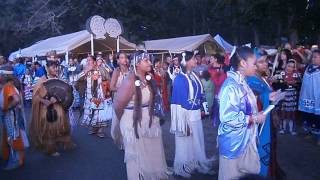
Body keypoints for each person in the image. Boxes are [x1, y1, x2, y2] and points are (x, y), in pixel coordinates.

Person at [113, 51, 169, 180]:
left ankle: (151, 175)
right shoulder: (129, 81)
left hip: (149, 120)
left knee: (151, 151)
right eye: (146, 61)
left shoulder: (149, 77)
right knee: (135, 155)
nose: (150, 62)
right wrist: (124, 122)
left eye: (150, 60)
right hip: (132, 122)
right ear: (137, 64)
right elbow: (118, 106)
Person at [218, 47, 267, 180]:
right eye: (254, 63)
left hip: (244, 140)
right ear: (243, 63)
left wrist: (257, 113)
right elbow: (227, 117)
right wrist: (254, 118)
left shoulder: (241, 82)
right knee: (231, 175)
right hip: (234, 144)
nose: (256, 67)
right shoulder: (231, 86)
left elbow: (246, 108)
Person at [170, 51, 212, 178]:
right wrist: (184, 123)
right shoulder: (180, 79)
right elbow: (178, 103)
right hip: (186, 117)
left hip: (196, 114)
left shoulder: (193, 75)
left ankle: (196, 163)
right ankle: (184, 166)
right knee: (186, 142)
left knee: (197, 140)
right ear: (186, 61)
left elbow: (200, 93)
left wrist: (203, 107)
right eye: (194, 59)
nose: (196, 61)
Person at [246, 48, 283, 178]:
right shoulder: (251, 81)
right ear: (253, 64)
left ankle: (270, 171)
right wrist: (268, 96)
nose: (265, 64)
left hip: (269, 120)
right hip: (261, 124)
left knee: (271, 147)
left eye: (266, 61)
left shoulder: (262, 78)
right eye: (261, 62)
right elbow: (253, 104)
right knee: (262, 148)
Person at [29, 59, 74, 156]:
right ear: (47, 68)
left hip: (59, 108)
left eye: (57, 67)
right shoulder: (41, 80)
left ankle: (62, 142)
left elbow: (66, 93)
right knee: (49, 129)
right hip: (47, 111)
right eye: (53, 67)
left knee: (61, 126)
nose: (56, 69)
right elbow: (35, 96)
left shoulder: (60, 79)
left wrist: (58, 98)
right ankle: (50, 149)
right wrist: (44, 100)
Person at [0, 66, 28, 170]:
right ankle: (18, 160)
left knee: (13, 137)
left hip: (11, 116)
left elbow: (16, 100)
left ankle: (17, 161)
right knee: (13, 136)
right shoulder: (8, 86)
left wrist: (7, 108)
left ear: (5, 75)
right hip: (11, 115)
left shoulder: (8, 87)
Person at [79, 55, 112, 138]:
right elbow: (78, 80)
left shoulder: (102, 69)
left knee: (100, 113)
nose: (87, 62)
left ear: (94, 62)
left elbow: (108, 80)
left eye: (89, 60)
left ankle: (100, 130)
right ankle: (94, 128)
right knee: (92, 112)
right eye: (87, 61)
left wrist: (105, 91)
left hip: (101, 95)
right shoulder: (86, 70)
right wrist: (86, 72)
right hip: (90, 96)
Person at [299, 50, 320, 145]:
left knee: (317, 116)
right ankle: (310, 132)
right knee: (308, 114)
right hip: (307, 96)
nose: (313, 58)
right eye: (313, 57)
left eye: (316, 57)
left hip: (317, 98)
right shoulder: (308, 68)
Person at [279, 60, 301, 135]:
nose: (290, 68)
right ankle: (282, 128)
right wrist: (285, 82)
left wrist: (294, 83)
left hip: (293, 96)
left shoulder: (296, 74)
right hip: (284, 96)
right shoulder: (281, 73)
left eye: (292, 67)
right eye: (288, 66)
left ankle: (292, 129)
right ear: (286, 66)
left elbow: (298, 84)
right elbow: (279, 84)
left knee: (292, 113)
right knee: (283, 113)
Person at [208, 53, 227, 126]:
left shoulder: (223, 67)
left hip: (223, 89)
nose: (210, 60)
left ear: (216, 59)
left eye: (212, 58)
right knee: (216, 106)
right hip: (214, 90)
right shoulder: (210, 69)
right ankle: (214, 121)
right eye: (210, 58)